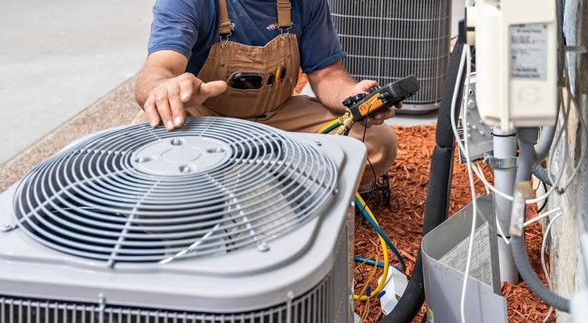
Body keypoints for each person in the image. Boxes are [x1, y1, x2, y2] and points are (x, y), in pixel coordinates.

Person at [134, 0, 398, 193]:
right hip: (207, 120)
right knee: (144, 130)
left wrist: (354, 97)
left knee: (377, 141)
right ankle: (276, 183)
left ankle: (245, 183)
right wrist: (163, 87)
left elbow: (326, 73)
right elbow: (159, 68)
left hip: (276, 116)